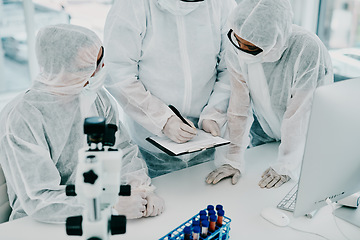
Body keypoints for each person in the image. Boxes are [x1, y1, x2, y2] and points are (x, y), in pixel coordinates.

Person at [0, 24, 164, 223]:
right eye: (86, 67)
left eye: (100, 61)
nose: (98, 72)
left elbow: (121, 150)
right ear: (58, 68)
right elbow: (39, 199)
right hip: (41, 225)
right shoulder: (22, 118)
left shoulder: (96, 98)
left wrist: (140, 188)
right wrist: (107, 204)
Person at [206, 0, 333, 188]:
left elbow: (299, 115)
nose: (241, 51)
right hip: (267, 134)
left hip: (310, 140)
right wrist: (233, 158)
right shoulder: (237, 45)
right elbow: (239, 108)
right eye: (237, 40)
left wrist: (286, 165)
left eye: (250, 48)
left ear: (273, 44)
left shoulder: (306, 50)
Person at [104, 0, 237, 178]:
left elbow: (231, 68)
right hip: (153, 145)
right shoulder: (132, 6)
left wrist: (214, 113)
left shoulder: (221, 4)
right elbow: (118, 74)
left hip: (209, 141)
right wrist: (162, 120)